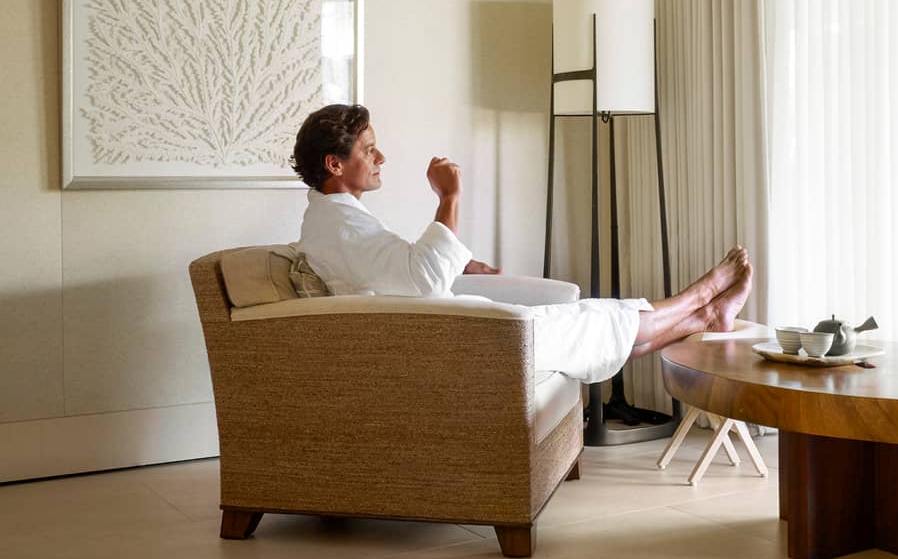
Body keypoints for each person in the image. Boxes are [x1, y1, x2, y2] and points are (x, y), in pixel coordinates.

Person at [289, 104, 752, 382]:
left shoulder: (334, 221)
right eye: (369, 150)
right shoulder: (342, 226)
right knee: (590, 320)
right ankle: (701, 295)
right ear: (334, 164)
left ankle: (708, 313)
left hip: (435, 332)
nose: (380, 158)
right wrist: (450, 196)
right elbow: (422, 281)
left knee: (585, 329)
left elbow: (392, 271)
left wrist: (461, 263)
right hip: (444, 343)